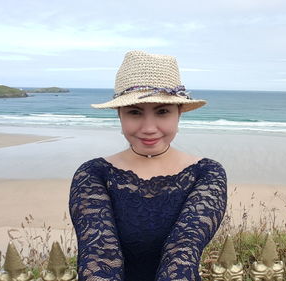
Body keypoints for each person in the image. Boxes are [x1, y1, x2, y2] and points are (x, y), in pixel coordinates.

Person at [69, 50, 227, 281]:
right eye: (135, 112)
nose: (149, 128)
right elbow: (99, 257)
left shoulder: (207, 173)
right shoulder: (93, 174)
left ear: (179, 113)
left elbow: (182, 253)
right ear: (119, 114)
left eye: (162, 112)